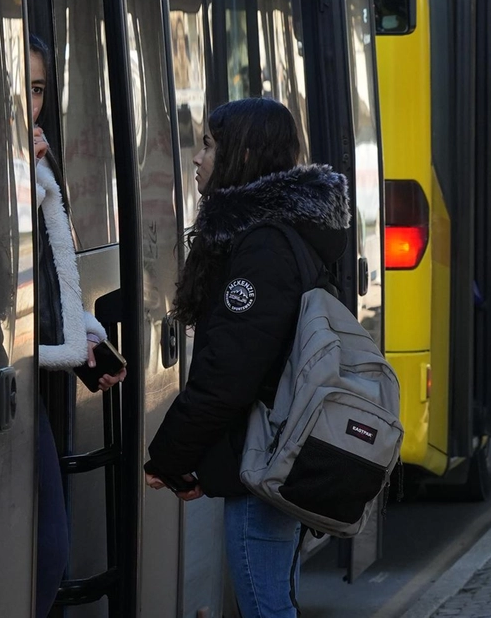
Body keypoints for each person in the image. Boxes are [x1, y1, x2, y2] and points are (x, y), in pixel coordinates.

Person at [143, 98, 350, 618]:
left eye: (210, 145)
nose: (197, 157)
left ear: (245, 153)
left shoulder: (264, 249)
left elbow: (228, 374)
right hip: (276, 456)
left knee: (265, 606)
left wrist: (170, 457)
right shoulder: (281, 236)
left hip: (267, 466)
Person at [0, 34, 125, 617]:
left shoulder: (25, 159)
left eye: (40, 89)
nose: (31, 102)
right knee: (32, 548)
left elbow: (40, 274)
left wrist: (82, 334)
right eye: (20, 87)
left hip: (15, 372)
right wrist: (15, 183)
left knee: (47, 546)